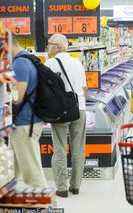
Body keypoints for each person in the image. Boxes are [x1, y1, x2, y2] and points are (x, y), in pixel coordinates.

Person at [45, 34, 88, 198]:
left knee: (60, 149)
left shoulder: (49, 64)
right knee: (78, 149)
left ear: (58, 47)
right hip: (79, 109)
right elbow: (84, 89)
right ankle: (76, 186)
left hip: (59, 111)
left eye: (50, 44)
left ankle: (62, 188)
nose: (48, 47)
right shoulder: (77, 63)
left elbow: (46, 91)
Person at [10, 33, 48, 188]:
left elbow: (17, 97)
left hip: (25, 123)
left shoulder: (19, 63)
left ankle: (44, 207)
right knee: (10, 170)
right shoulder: (29, 58)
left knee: (32, 173)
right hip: (29, 120)